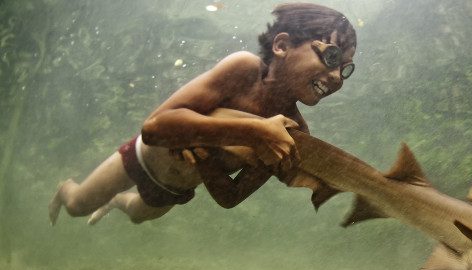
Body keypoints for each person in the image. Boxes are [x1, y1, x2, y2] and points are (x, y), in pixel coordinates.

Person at [49, 3, 357, 225]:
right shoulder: (244, 70)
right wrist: (257, 131)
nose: (337, 77)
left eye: (346, 69)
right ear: (282, 45)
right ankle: (65, 187)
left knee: (137, 215)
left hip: (175, 188)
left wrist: (207, 154)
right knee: (77, 206)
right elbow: (155, 129)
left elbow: (230, 197)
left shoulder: (294, 132)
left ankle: (116, 201)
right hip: (143, 158)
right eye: (331, 56)